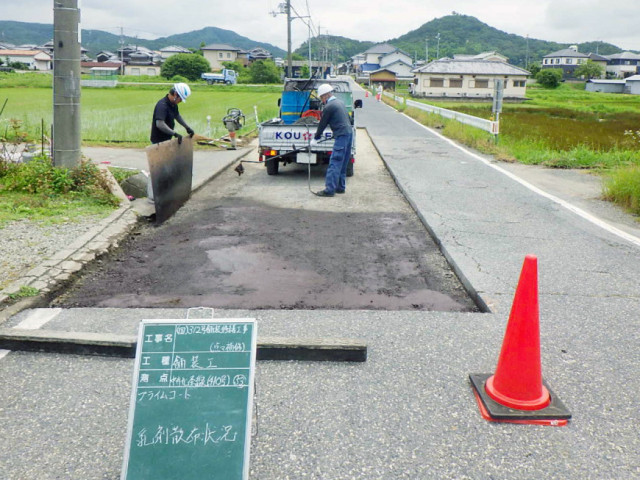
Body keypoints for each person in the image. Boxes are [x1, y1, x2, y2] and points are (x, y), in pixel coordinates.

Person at [311, 83, 353, 197]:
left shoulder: (329, 107)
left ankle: (329, 190)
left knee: (335, 162)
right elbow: (349, 119)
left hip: (342, 136)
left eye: (321, 97)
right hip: (348, 134)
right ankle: (340, 187)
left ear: (325, 96)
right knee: (343, 162)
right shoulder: (340, 103)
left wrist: (316, 138)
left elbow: (322, 123)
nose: (321, 100)